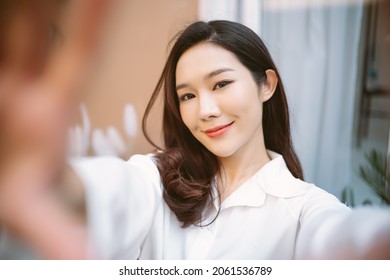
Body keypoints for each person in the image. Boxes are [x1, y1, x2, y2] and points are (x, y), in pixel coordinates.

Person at [1, 17, 389, 259]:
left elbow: (347, 240)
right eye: (187, 95)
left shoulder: (305, 211)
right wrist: (45, 179)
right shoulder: (157, 178)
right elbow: (110, 192)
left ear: (266, 85)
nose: (203, 109)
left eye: (220, 84)